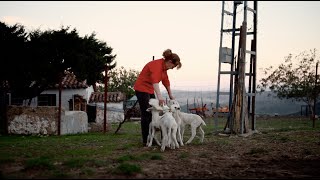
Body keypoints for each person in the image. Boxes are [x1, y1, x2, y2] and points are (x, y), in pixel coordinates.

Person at [134, 49, 182, 146]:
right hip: (141, 88)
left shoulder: (164, 69)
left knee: (155, 113)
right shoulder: (157, 65)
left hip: (150, 89)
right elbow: (155, 81)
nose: (172, 68)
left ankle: (154, 138)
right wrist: (160, 97)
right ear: (169, 62)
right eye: (173, 66)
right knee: (146, 113)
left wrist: (170, 94)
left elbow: (166, 81)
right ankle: (146, 140)